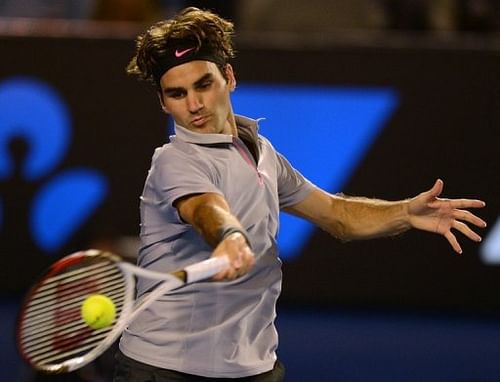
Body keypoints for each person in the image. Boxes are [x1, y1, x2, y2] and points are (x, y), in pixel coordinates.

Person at [115, 7, 487, 382]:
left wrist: (406, 212)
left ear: (228, 77)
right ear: (163, 103)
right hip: (165, 369)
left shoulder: (261, 153)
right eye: (177, 94)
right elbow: (205, 208)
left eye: (203, 84)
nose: (194, 104)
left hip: (252, 365)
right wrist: (228, 237)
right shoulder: (174, 161)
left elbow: (337, 215)